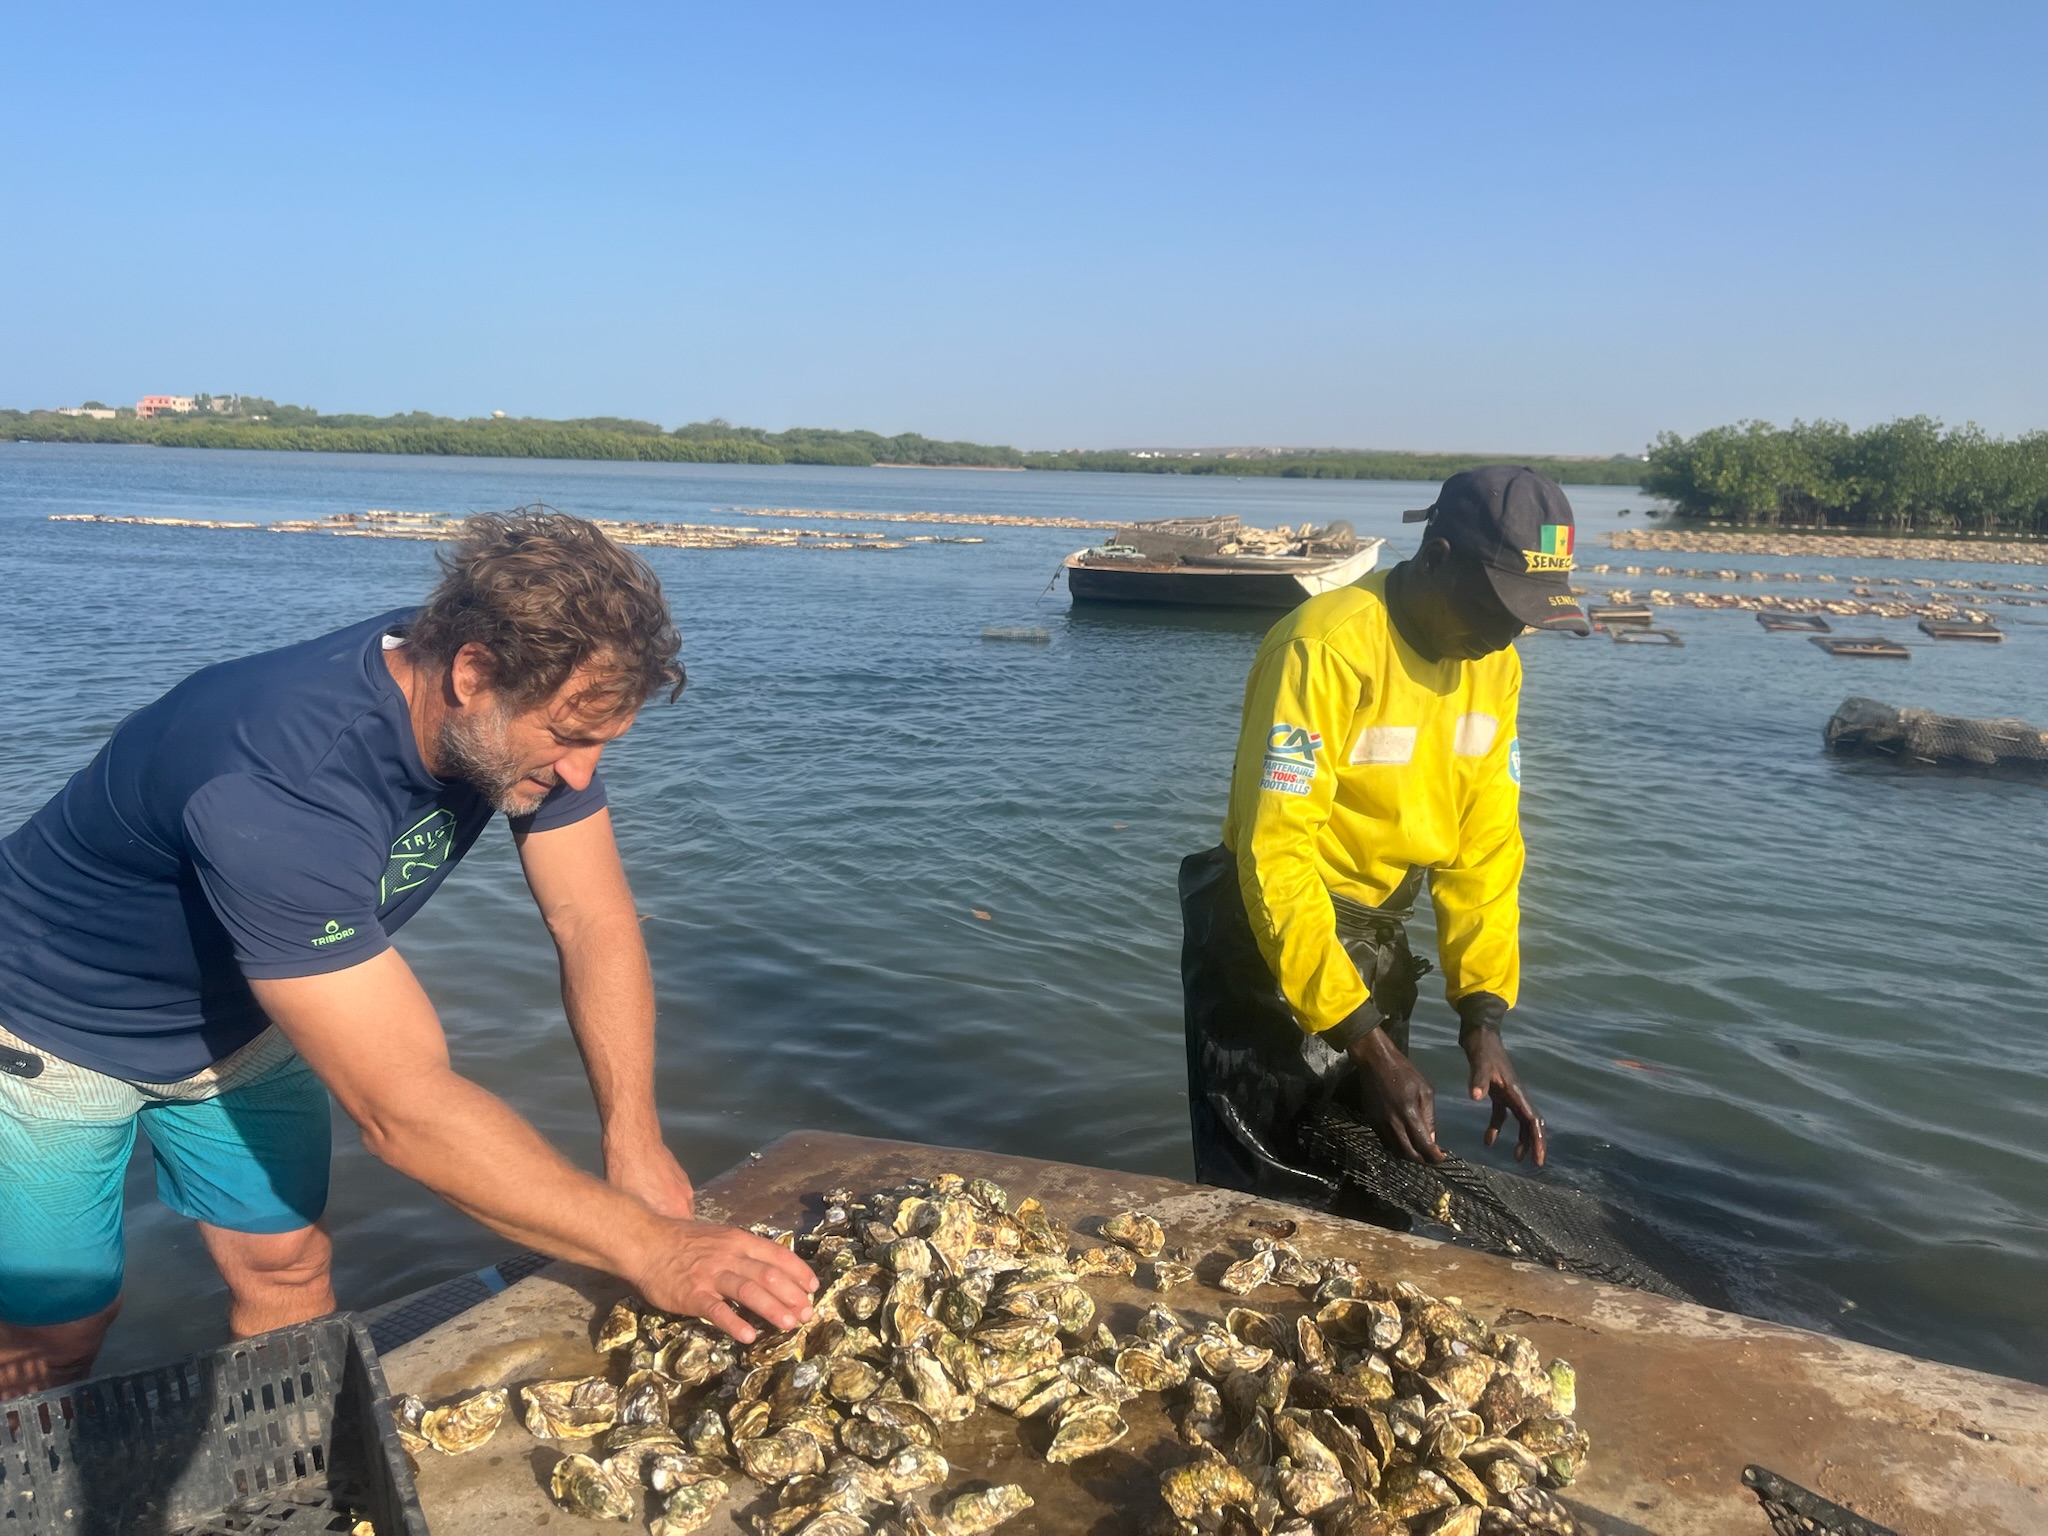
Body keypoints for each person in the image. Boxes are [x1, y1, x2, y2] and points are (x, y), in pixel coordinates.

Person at [0, 510, 817, 1394]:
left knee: (289, 1266)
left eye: (601, 743)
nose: (582, 774)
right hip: (53, 1032)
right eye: (569, 738)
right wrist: (652, 1248)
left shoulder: (502, 693)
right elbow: (403, 1110)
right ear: (473, 672)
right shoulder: (280, 785)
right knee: (61, 1333)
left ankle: (294, 1461)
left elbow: (594, 921)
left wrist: (634, 1138)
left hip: (249, 1017)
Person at [1181, 465, 1589, 1203]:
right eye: (1495, 606)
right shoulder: (1325, 647)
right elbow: (1277, 855)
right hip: (1267, 946)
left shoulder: (1494, 666)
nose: (1505, 634)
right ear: (1436, 559)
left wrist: (1482, 1014)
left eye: (1524, 617)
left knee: (1374, 1193)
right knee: (1261, 1197)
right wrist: (1367, 1041)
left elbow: (1487, 846)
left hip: (1379, 941)